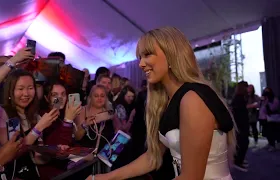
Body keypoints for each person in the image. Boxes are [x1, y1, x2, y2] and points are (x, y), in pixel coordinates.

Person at [86, 27, 235, 180]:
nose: (141, 64)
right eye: (140, 57)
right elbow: (152, 157)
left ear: (171, 55)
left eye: (148, 55)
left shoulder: (192, 99)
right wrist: (105, 178)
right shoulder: (169, 100)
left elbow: (191, 177)